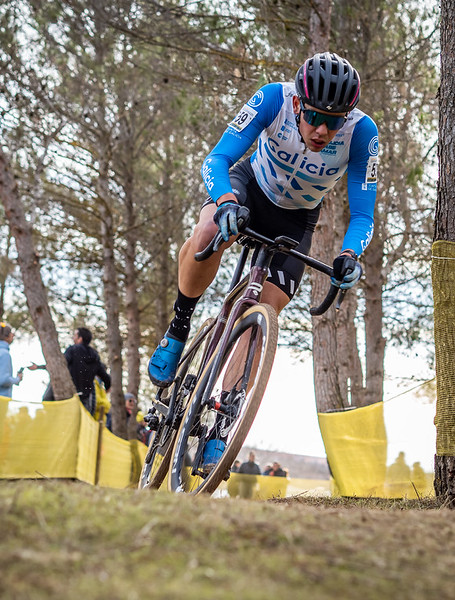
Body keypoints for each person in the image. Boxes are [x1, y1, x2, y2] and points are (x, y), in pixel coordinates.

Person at [147, 52, 378, 466]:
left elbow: (363, 215)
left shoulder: (362, 133)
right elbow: (216, 159)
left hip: (297, 219)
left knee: (265, 312)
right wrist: (226, 202)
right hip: (248, 190)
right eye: (314, 117)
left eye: (334, 121)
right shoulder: (273, 98)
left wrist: (349, 254)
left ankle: (224, 418)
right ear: (297, 104)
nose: (323, 130)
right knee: (207, 231)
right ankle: (179, 327)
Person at [31, 327, 111, 415]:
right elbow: (105, 376)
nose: (73, 337)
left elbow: (59, 365)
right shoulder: (94, 356)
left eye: (75, 335)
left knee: (48, 402)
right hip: (85, 396)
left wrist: (39, 367)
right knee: (83, 418)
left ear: (80, 338)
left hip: (70, 393)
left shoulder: (73, 350)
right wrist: (107, 387)